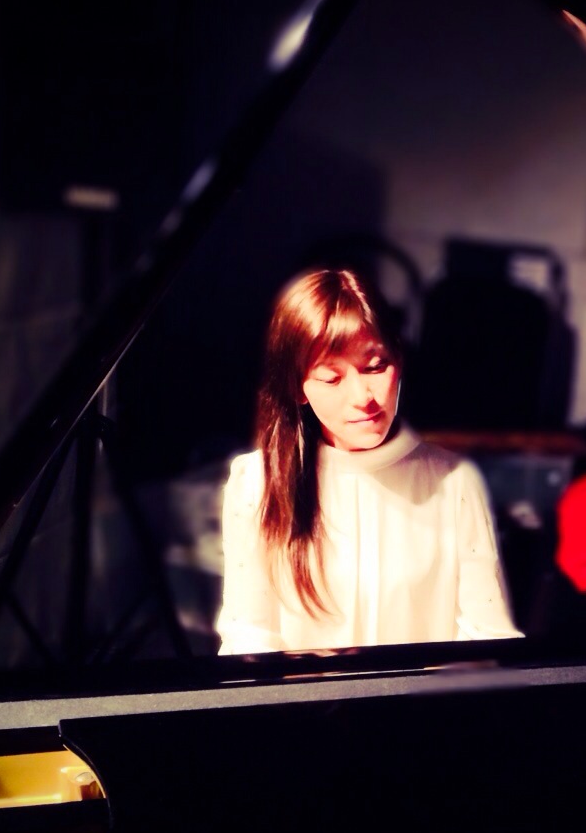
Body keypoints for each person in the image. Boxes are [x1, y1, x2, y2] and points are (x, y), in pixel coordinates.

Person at [215, 267, 523, 655]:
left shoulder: (452, 481)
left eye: (375, 367)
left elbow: (486, 636)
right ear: (298, 387)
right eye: (332, 378)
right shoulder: (257, 482)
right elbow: (249, 637)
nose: (363, 397)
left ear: (399, 359)